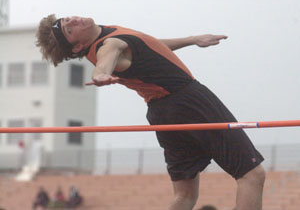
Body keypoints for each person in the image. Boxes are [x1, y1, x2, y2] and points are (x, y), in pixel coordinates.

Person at [36, 15, 266, 210]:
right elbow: (106, 60)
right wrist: (101, 75)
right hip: (188, 101)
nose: (74, 20)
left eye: (67, 19)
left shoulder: (109, 37)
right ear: (77, 46)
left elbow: (149, 45)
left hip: (162, 112)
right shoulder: (108, 44)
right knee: (251, 175)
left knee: (184, 196)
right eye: (69, 29)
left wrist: (192, 40)